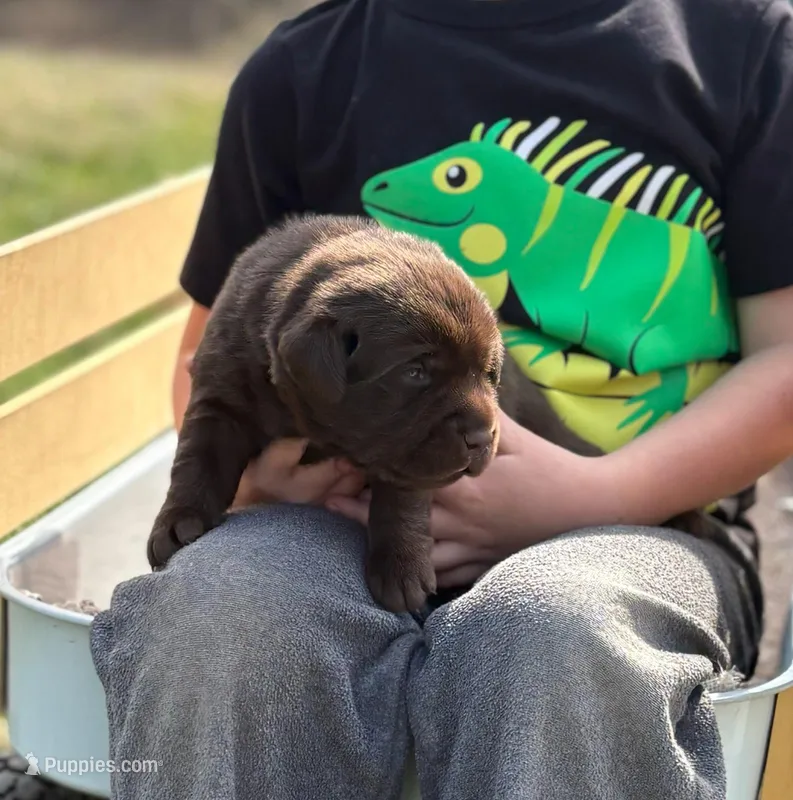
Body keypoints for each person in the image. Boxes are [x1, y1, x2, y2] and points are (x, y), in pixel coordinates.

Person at [89, 0, 793, 797]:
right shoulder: (304, 67)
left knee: (559, 633)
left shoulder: (743, 46)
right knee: (223, 619)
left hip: (644, 524)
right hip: (329, 521)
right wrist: (263, 480)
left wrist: (603, 493)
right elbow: (210, 361)